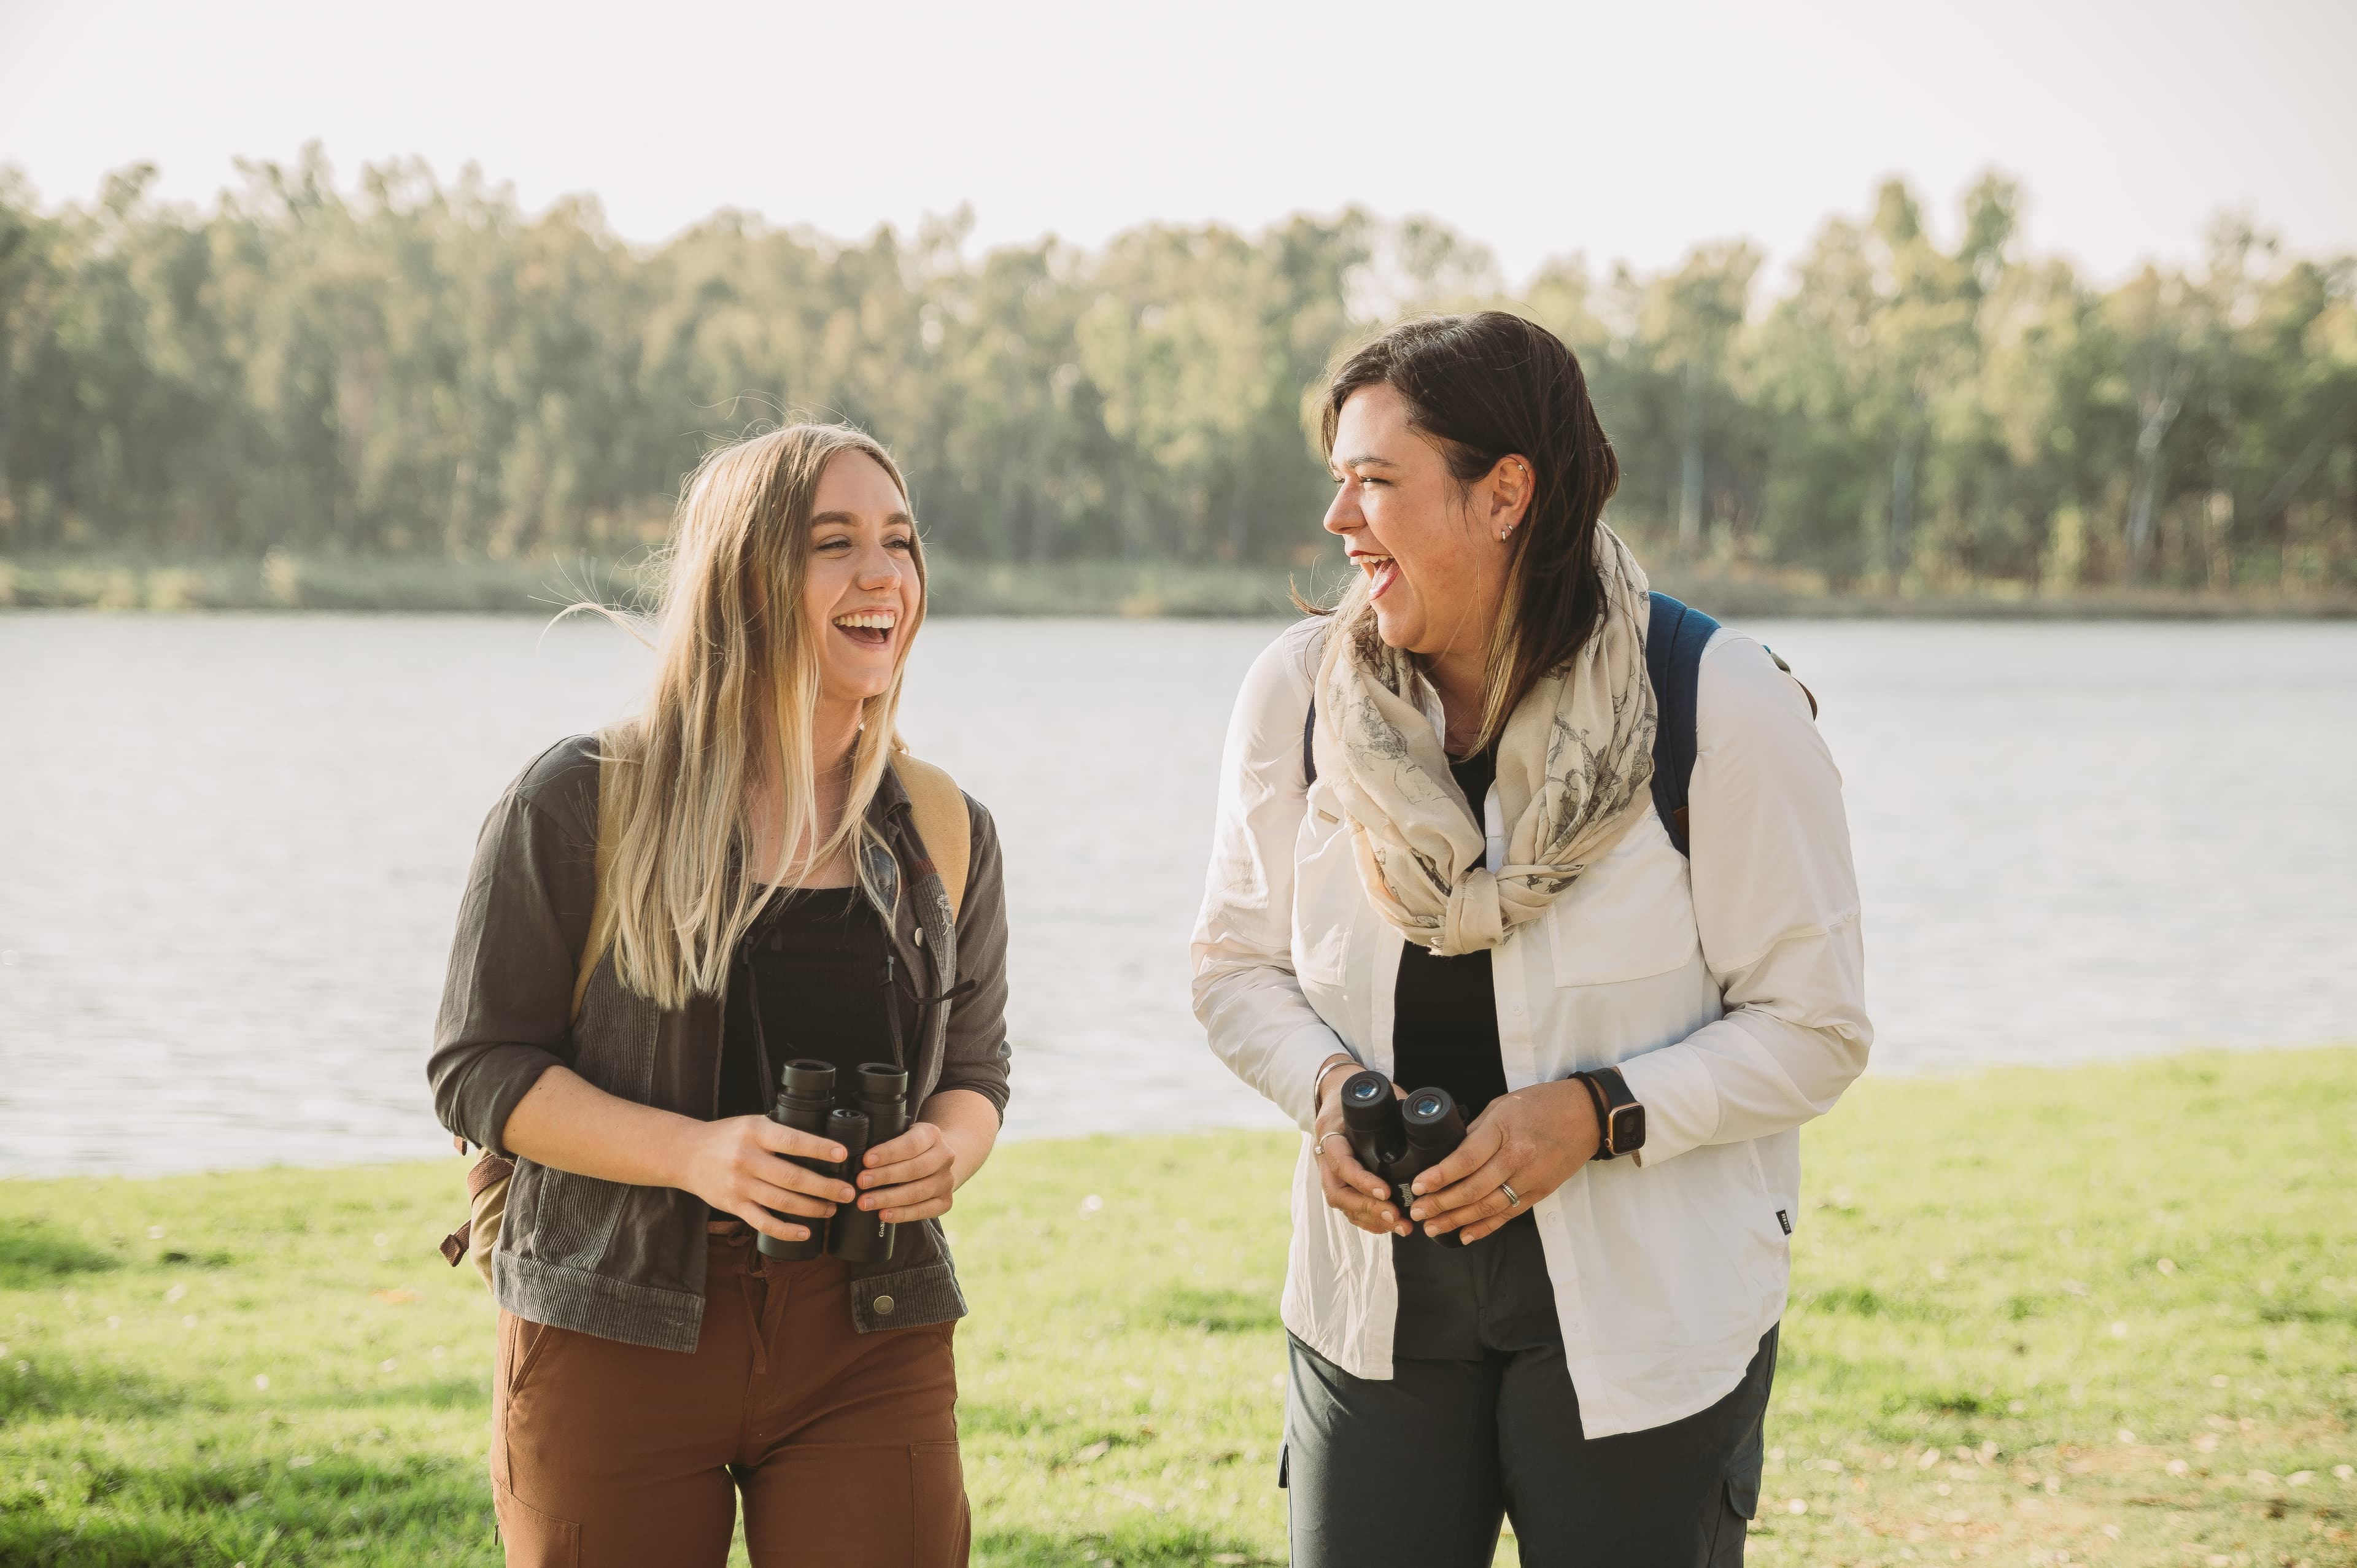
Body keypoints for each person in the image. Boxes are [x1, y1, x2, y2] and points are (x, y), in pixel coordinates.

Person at [1191, 312, 1870, 1567]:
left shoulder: (1720, 699)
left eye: (1377, 482)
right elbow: (1238, 970)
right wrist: (1333, 1090)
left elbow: (1816, 1028)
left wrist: (1598, 1113)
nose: (1340, 521)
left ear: (1505, 495)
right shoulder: (1294, 697)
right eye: (1336, 480)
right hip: (1375, 1308)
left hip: (1648, 1312)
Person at [428, 423, 1009, 1567]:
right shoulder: (579, 800)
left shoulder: (943, 828)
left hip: (869, 1333)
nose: (883, 573)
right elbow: (480, 1070)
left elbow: (979, 1075)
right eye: (832, 543)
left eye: (899, 541)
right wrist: (697, 1155)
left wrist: (949, 1148)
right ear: (744, 576)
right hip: (612, 1329)